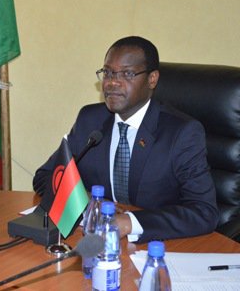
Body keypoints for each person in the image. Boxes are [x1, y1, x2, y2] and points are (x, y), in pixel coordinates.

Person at [33, 36, 219, 243]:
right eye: (108, 72)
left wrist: (129, 222)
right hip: (94, 242)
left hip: (159, 245)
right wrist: (88, 202)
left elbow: (204, 212)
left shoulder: (182, 133)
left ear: (152, 79)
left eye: (127, 74)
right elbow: (45, 176)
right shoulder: (90, 120)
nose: (112, 82)